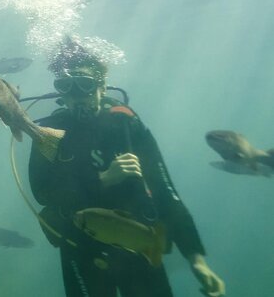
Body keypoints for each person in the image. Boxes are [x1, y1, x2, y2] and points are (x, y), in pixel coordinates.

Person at [28, 42, 226, 297]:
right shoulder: (49, 134)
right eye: (66, 86)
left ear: (102, 86)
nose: (77, 95)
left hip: (139, 248)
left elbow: (166, 193)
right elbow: (42, 193)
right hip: (81, 248)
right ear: (60, 93)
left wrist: (196, 259)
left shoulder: (127, 126)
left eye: (85, 85)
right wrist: (102, 179)